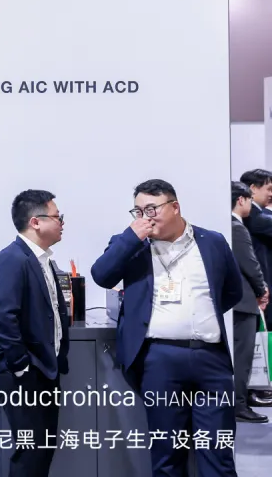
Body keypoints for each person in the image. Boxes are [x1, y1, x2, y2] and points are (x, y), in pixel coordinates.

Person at [91, 179, 242, 477]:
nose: (145, 217)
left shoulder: (212, 241)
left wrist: (200, 319)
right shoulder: (131, 245)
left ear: (175, 207)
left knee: (218, 451)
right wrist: (130, 238)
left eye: (151, 209)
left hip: (211, 359)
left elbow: (232, 291)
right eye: (138, 211)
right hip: (159, 360)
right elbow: (102, 275)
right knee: (167, 454)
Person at [0, 190, 70, 477]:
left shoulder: (41, 259)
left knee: (42, 449)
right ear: (36, 222)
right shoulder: (12, 259)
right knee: (31, 451)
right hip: (24, 372)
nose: (62, 223)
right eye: (57, 217)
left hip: (44, 367)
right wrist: (21, 365)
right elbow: (3, 317)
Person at [230, 181, 271, 421]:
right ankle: (239, 406)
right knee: (242, 357)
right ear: (241, 200)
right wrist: (262, 289)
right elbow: (250, 264)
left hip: (234, 301)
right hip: (244, 301)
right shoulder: (236, 228)